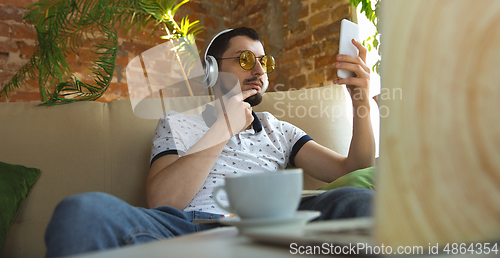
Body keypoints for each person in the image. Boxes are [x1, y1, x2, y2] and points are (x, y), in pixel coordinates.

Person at [45, 27, 375, 257]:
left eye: (264, 62)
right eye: (245, 60)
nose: (259, 70)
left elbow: (354, 169)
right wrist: (223, 127)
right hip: (187, 227)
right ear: (213, 72)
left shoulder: (280, 130)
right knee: (82, 212)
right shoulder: (176, 122)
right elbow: (164, 199)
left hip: (272, 226)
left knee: (358, 200)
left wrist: (360, 100)